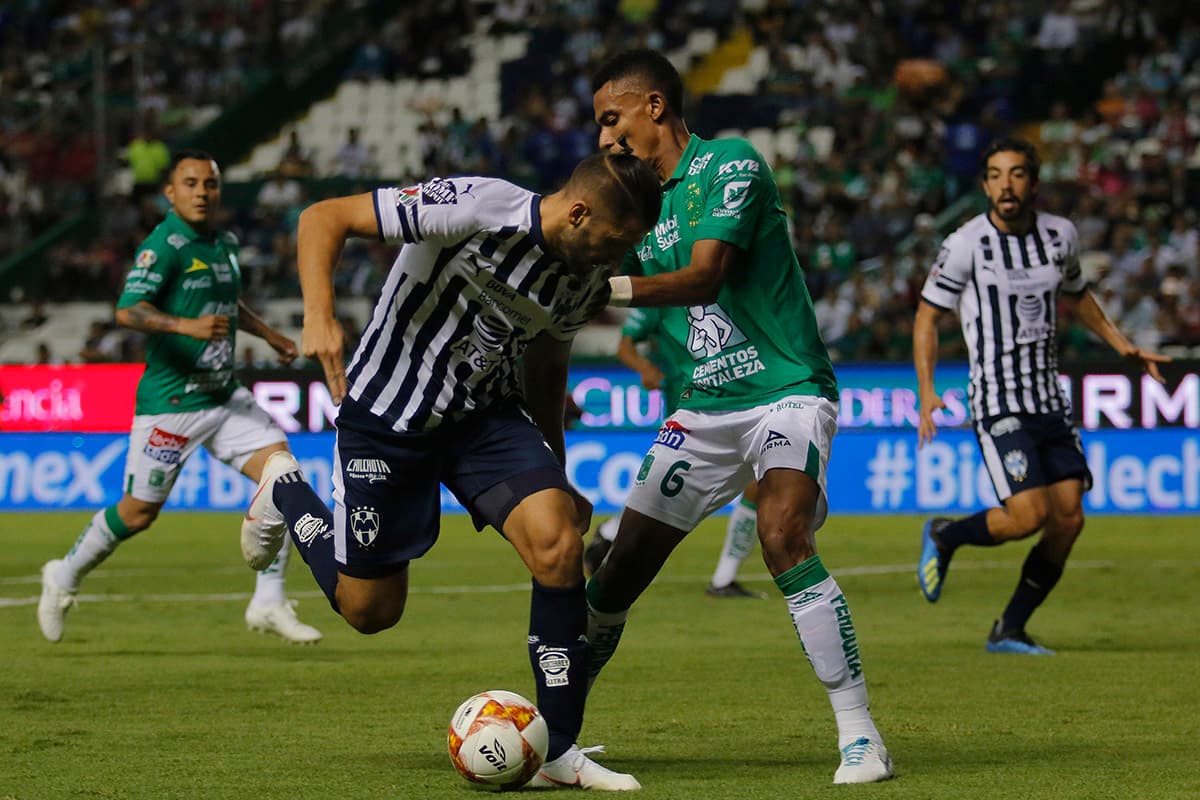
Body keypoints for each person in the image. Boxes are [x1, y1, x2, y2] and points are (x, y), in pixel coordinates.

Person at [239, 152, 661, 790]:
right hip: (388, 419)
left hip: (483, 421)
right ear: (580, 212)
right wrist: (319, 313)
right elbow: (323, 217)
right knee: (370, 611)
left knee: (558, 545)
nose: (618, 258)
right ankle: (286, 490)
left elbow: (546, 370)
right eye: (617, 240)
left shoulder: (579, 282)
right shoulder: (477, 205)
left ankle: (558, 751)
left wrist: (556, 468)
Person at [583, 50, 892, 784]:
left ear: (654, 107)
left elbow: (703, 276)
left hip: (786, 388)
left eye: (611, 118)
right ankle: (556, 727)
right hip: (703, 410)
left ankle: (861, 736)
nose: (603, 138)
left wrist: (603, 287)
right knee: (619, 569)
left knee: (784, 532)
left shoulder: (732, 164)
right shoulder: (634, 207)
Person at [37, 150, 322, 646]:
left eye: (209, 184)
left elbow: (227, 302)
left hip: (222, 396)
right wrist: (183, 325)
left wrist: (268, 334)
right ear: (171, 193)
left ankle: (269, 600)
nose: (201, 192)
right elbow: (128, 310)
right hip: (171, 404)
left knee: (282, 474)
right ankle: (63, 574)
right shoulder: (164, 245)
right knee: (137, 513)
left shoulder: (224, 242)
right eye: (190, 183)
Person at [914, 137, 1170, 654]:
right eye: (995, 175)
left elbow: (1078, 296)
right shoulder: (966, 243)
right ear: (985, 184)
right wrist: (926, 391)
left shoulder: (1060, 235)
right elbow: (927, 316)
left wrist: (1123, 346)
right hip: (998, 401)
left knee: (1070, 519)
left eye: (1016, 175)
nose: (1005, 186)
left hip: (1049, 401)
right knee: (1027, 516)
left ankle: (1009, 628)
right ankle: (946, 535)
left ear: (1034, 181)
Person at [584, 305, 764, 599]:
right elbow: (625, 344)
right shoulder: (664, 299)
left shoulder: (728, 290)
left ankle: (723, 580)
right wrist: (645, 369)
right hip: (688, 411)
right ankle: (612, 532)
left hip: (738, 406)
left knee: (759, 483)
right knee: (671, 497)